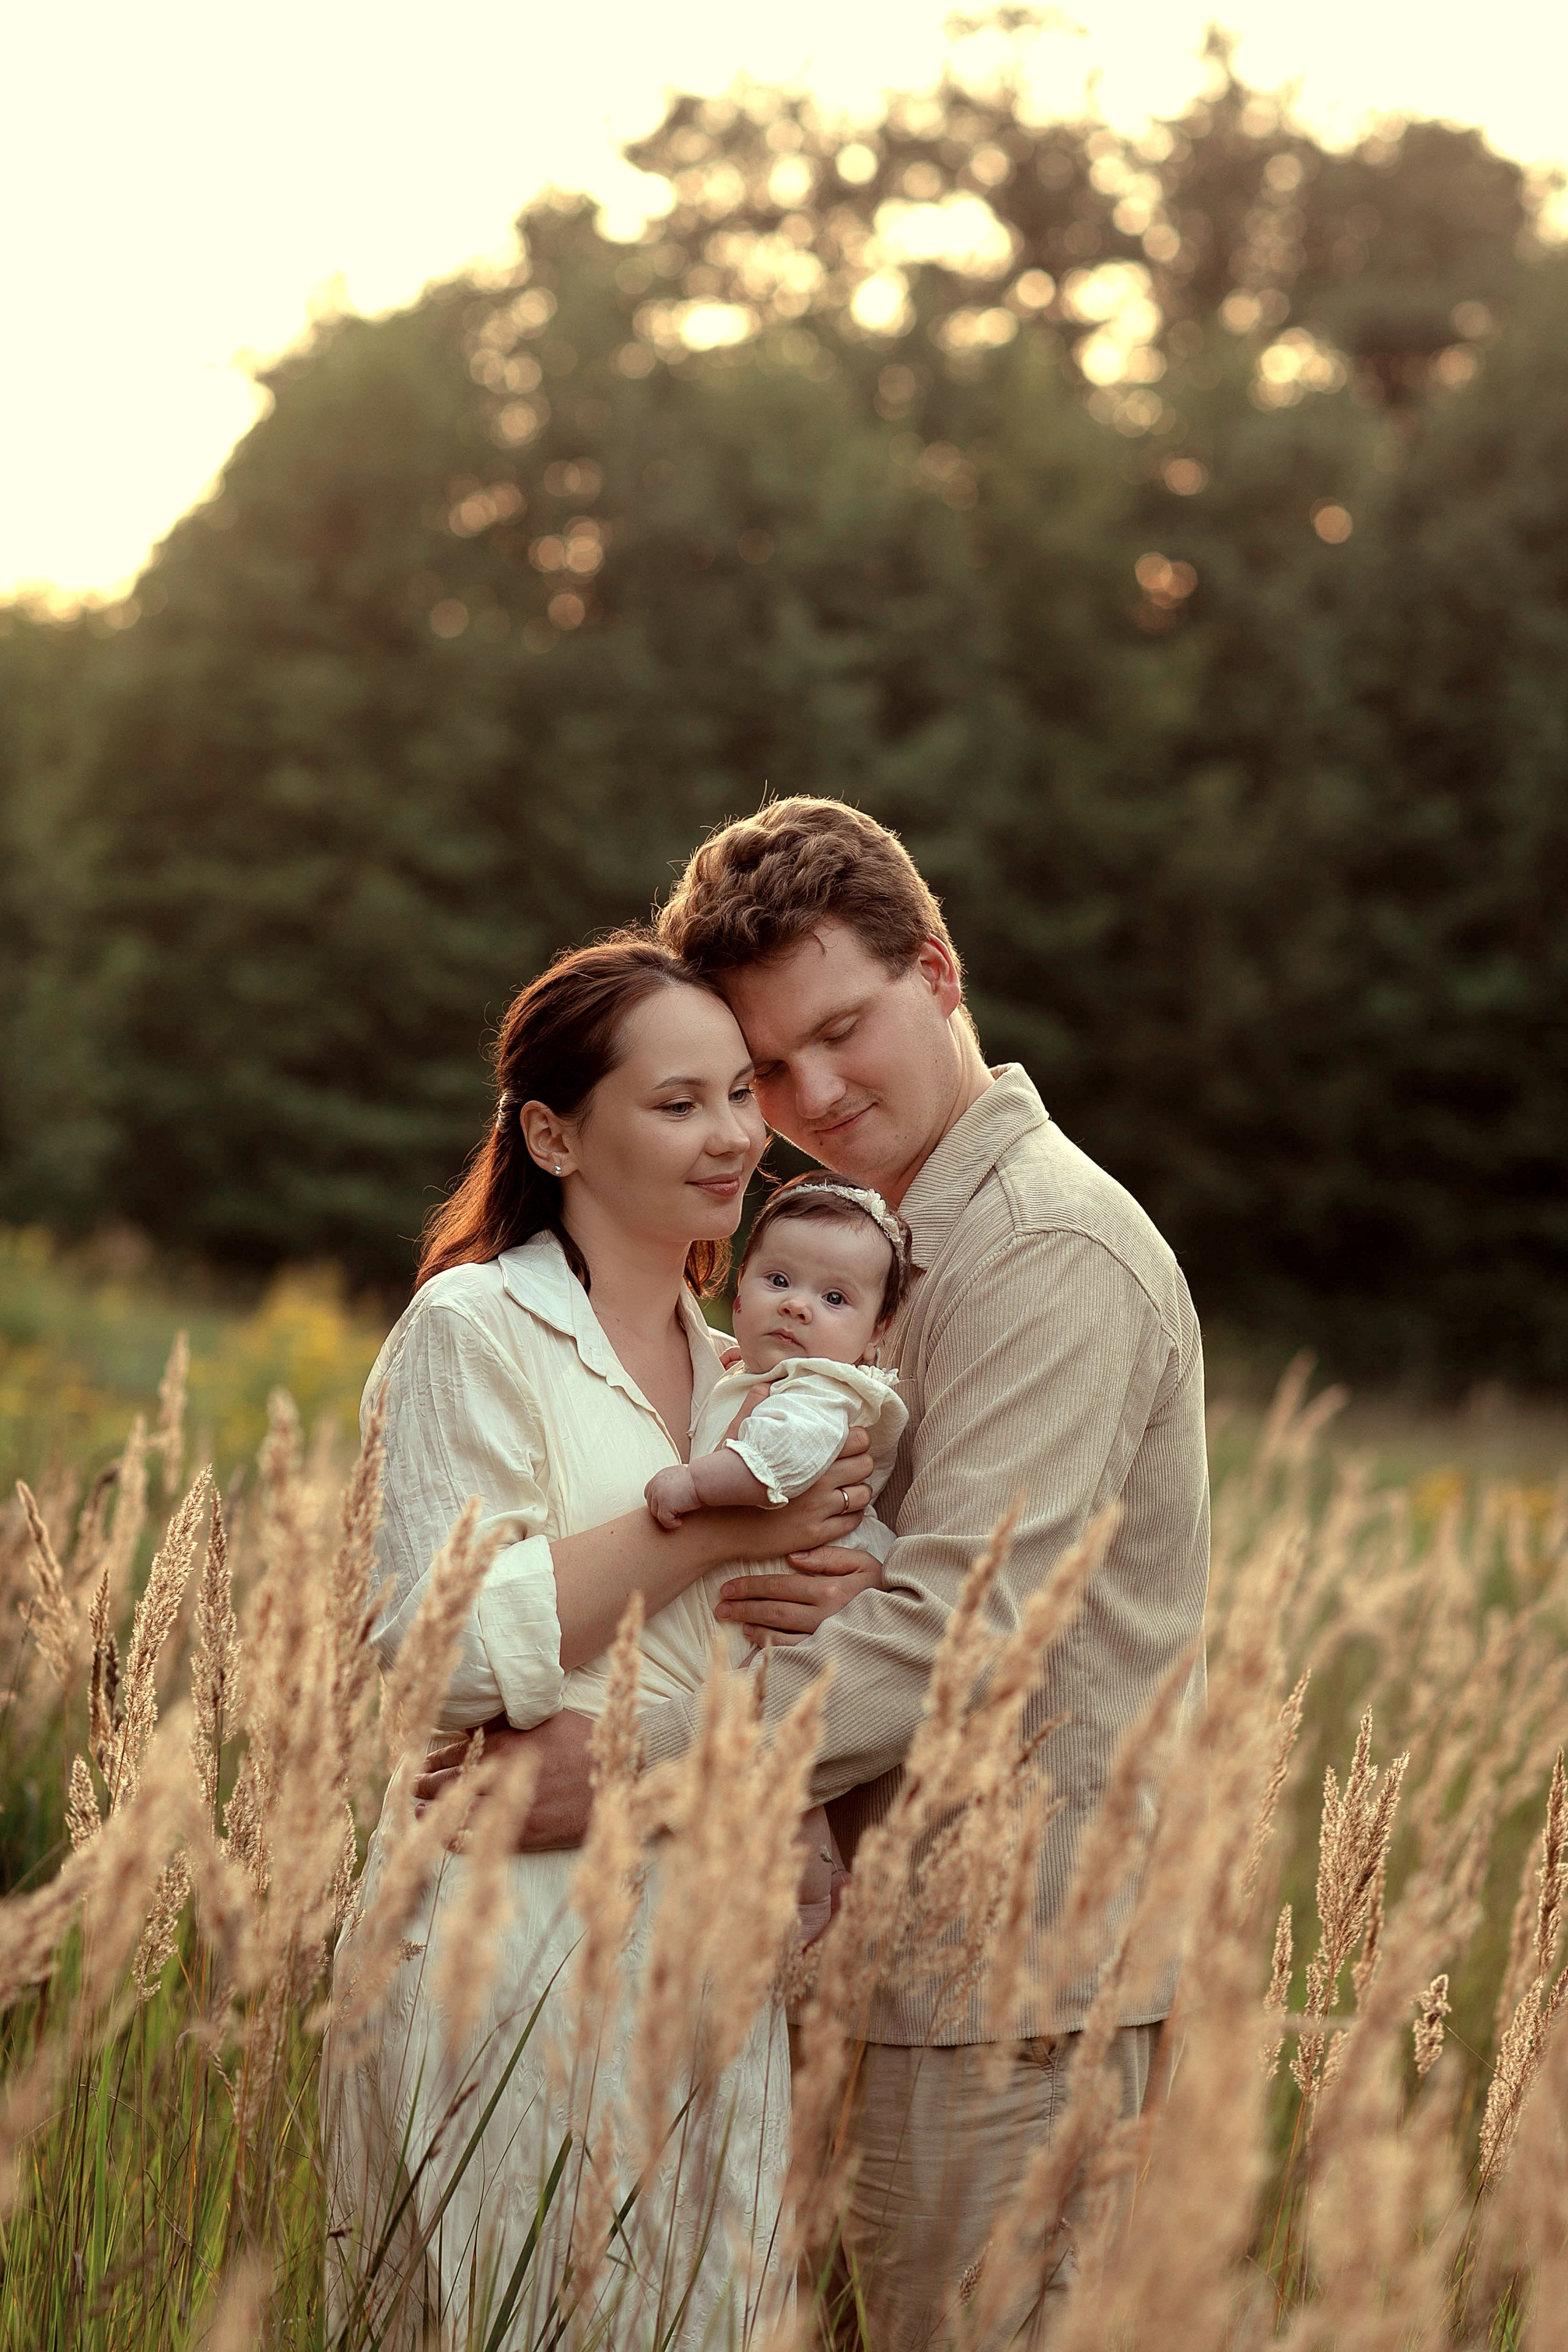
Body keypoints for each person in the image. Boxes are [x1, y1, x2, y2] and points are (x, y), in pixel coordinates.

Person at [423, 800, 1211, 2350]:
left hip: (1004, 1995)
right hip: (865, 1970)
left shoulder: (1045, 1246)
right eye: (769, 1067)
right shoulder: (853, 1253)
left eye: (842, 1030)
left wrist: (633, 1762)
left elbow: (960, 1630)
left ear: (938, 967)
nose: (813, 1094)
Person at [323, 932, 878, 2351]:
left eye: (737, 1096)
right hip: (504, 1938)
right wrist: (712, 1535)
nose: (733, 1137)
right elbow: (428, 1645)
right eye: (676, 1102)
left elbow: (759, 1673)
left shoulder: (746, 1375)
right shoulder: (473, 1328)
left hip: (703, 1933)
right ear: (553, 1131)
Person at [646, 1170, 913, 1940]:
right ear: (740, 1292)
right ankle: (820, 1874)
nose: (799, 1305)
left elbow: (785, 1459)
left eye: (835, 1299)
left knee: (783, 1758)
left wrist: (696, 1484)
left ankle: (806, 1900)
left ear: (875, 1332)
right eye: (779, 1280)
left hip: (810, 1588)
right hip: (777, 1590)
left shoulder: (822, 1390)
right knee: (787, 1778)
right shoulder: (752, 1372)